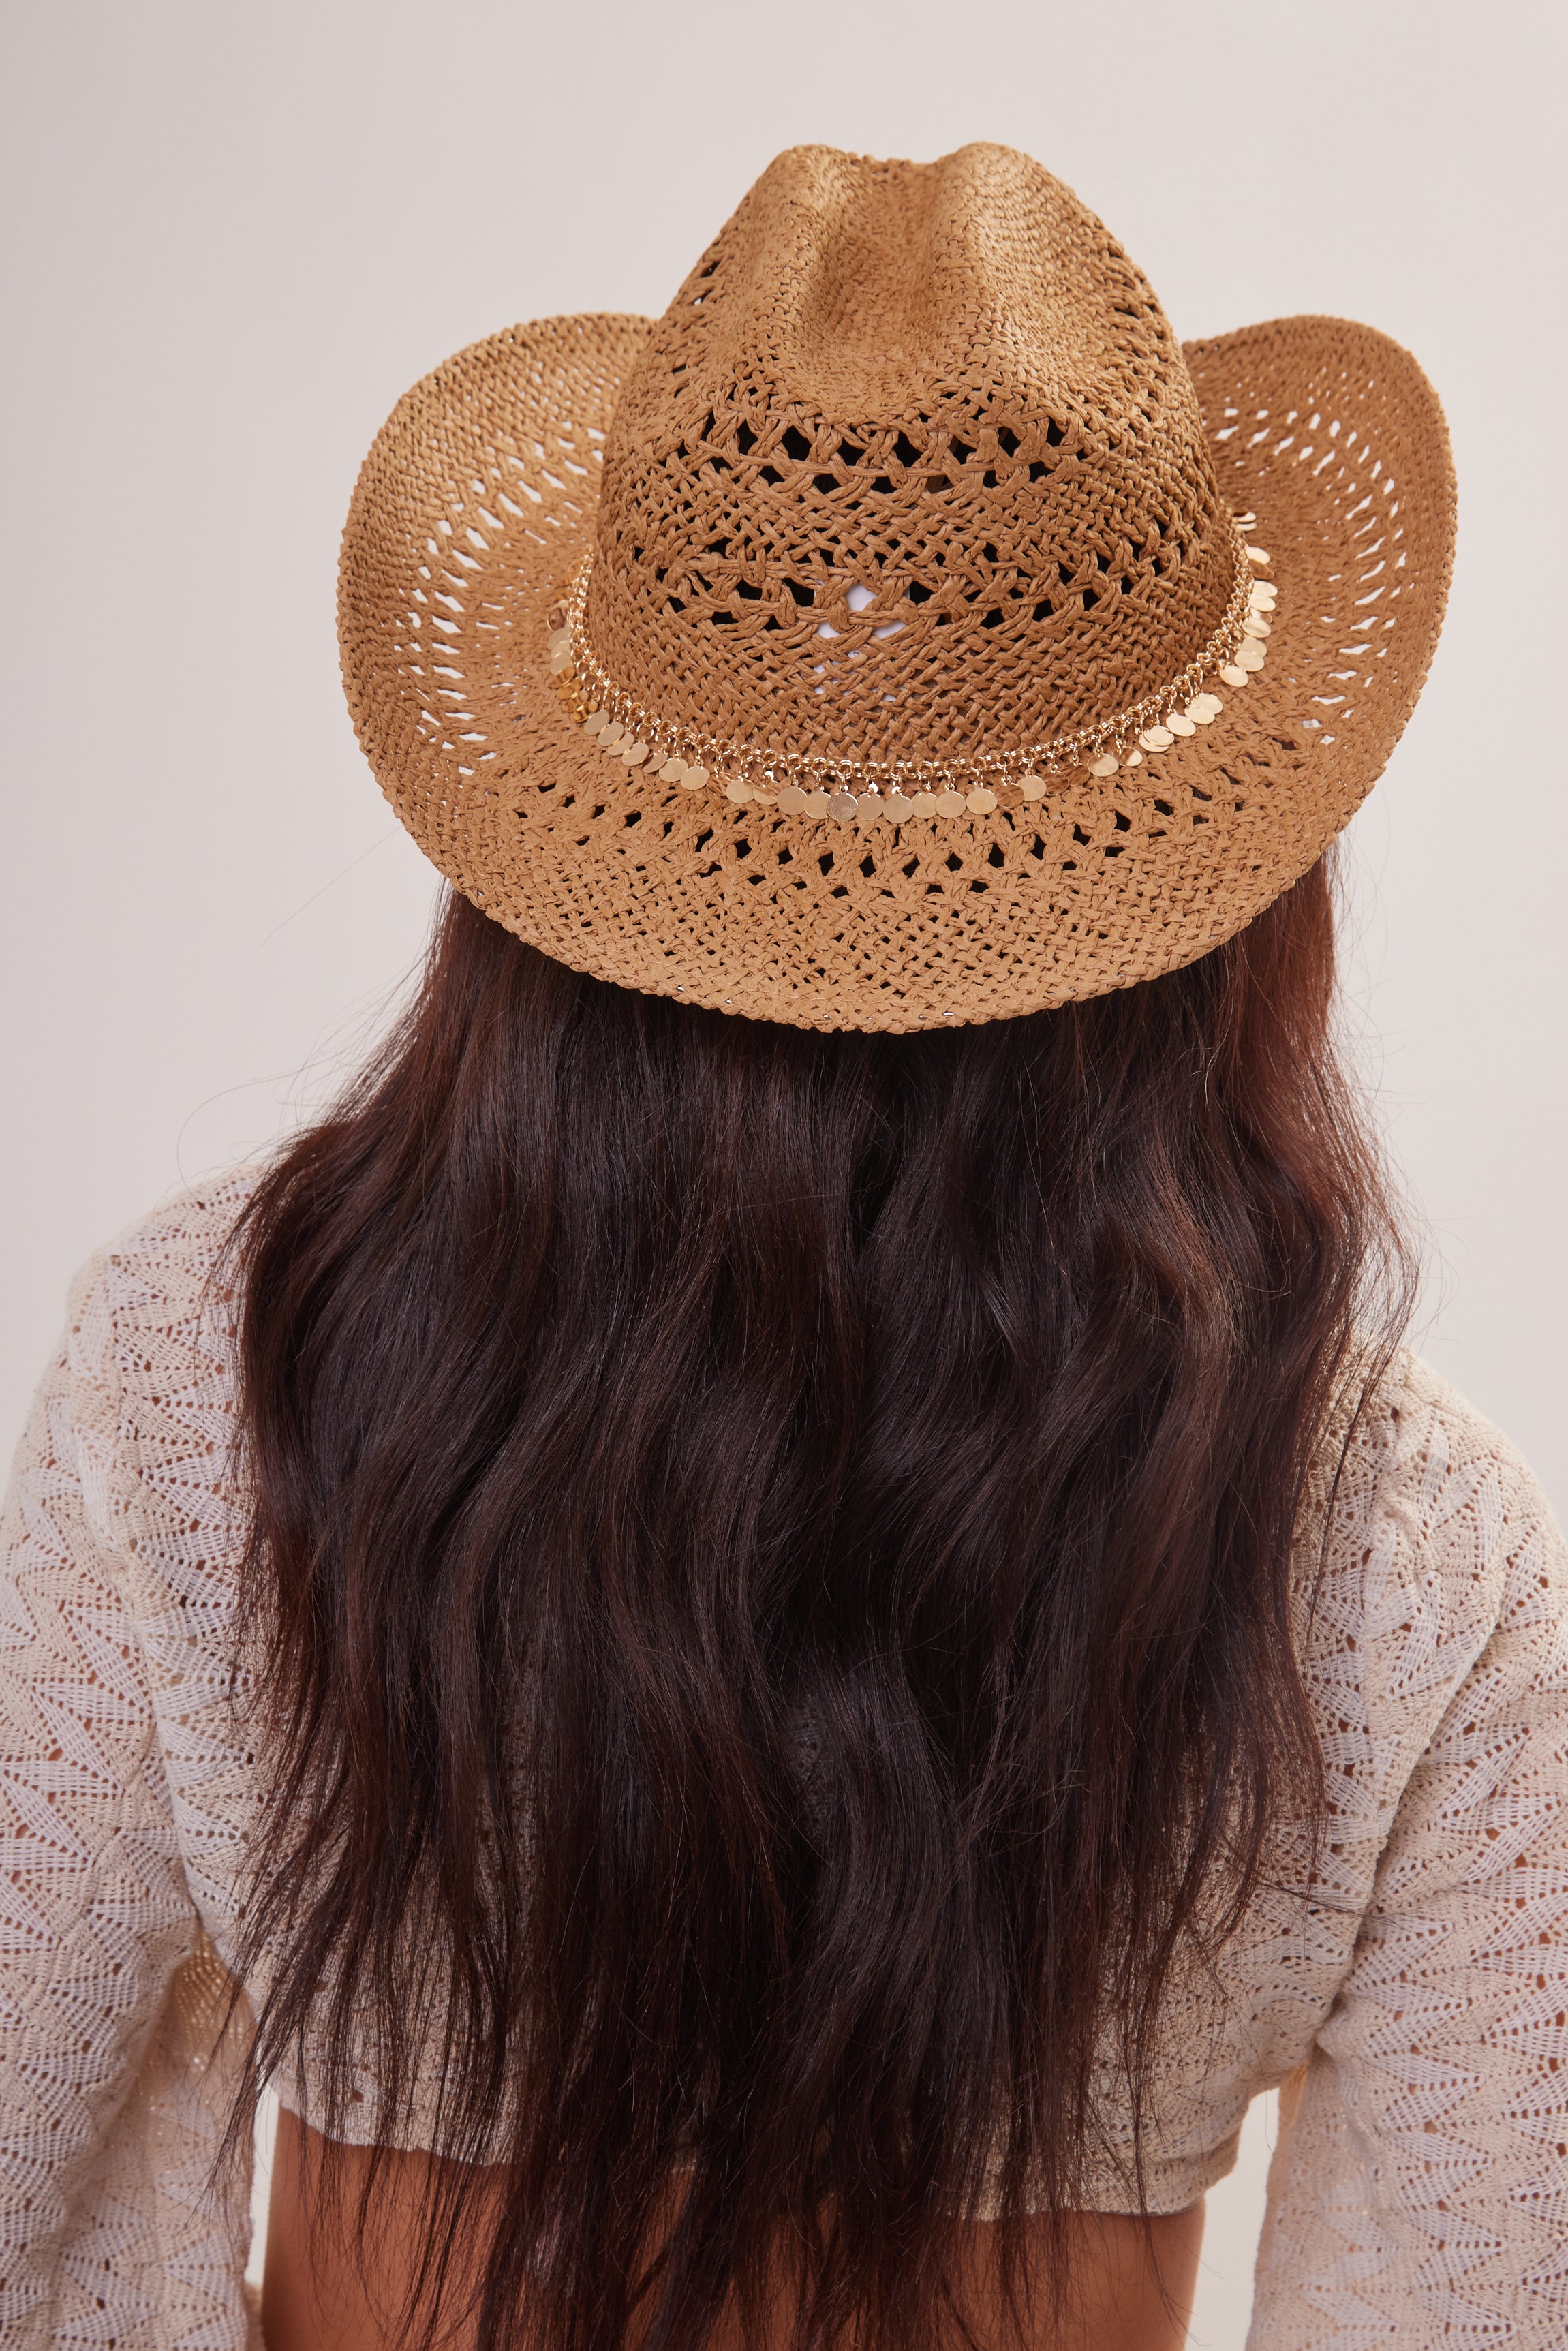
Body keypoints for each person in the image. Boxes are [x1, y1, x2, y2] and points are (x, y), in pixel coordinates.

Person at [2, 141, 1563, 2351]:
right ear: (1223, 882)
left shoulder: (208, 1382)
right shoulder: (1398, 1548)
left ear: (564, 848)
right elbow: (1489, 2297)